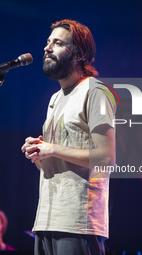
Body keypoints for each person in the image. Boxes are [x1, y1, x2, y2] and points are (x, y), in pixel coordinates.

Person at [21, 19, 116, 255]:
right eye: (47, 42)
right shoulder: (55, 98)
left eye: (57, 43)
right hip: (46, 220)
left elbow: (106, 157)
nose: (47, 48)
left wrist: (52, 148)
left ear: (77, 54)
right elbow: (55, 165)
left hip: (77, 222)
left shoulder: (96, 91)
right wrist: (38, 153)